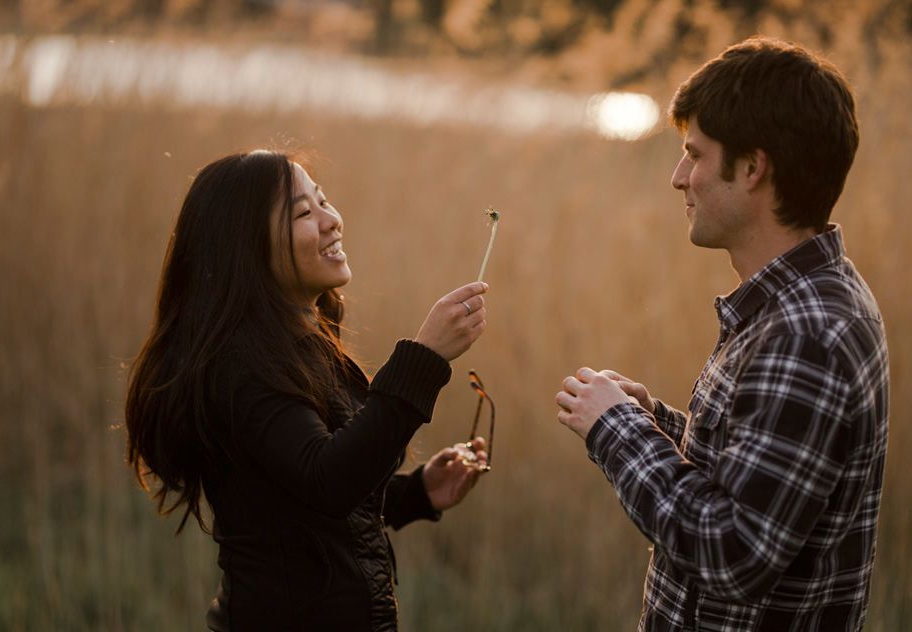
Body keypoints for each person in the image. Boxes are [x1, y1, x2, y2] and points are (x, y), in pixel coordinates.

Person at [556, 36, 889, 630]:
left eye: (696, 154)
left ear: (754, 167)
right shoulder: (793, 304)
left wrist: (617, 431)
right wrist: (654, 421)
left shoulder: (807, 333)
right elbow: (761, 478)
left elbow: (733, 552)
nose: (679, 177)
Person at [124, 148, 490, 631]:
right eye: (303, 212)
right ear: (247, 245)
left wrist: (414, 494)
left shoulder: (298, 343)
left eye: (323, 201)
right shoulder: (241, 367)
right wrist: (423, 360)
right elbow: (326, 481)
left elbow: (292, 501)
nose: (332, 220)